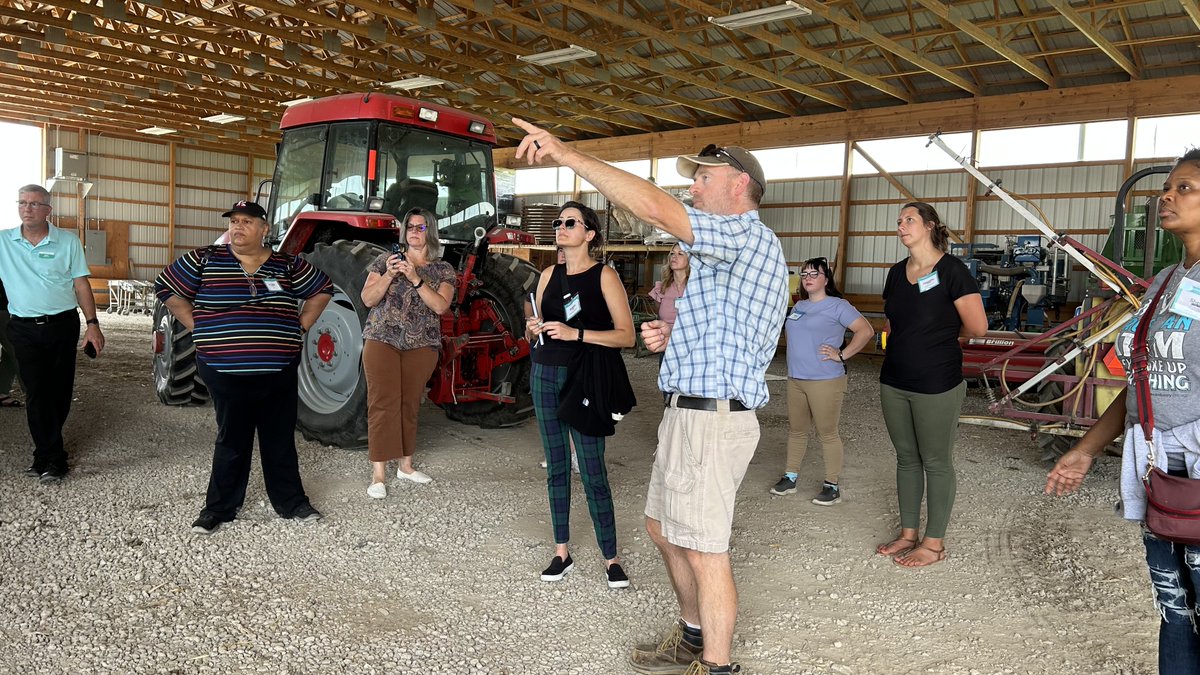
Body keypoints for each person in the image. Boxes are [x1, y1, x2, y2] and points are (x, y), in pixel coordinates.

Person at [515, 120, 788, 675]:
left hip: (713, 420)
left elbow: (656, 209)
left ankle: (717, 664)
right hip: (687, 412)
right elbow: (724, 330)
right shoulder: (720, 258)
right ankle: (692, 635)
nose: (693, 188)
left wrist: (569, 154)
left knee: (706, 547)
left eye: (703, 177)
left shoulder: (745, 234)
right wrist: (673, 337)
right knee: (664, 529)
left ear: (737, 183)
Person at [1046, 149, 1200, 673]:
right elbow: (1142, 385)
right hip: (1160, 470)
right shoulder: (1162, 285)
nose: (1168, 195)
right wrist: (1085, 450)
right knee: (1174, 608)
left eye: (1186, 188)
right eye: (1169, 187)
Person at [155, 200, 333, 534]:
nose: (238, 227)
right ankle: (219, 509)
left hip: (277, 370)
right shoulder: (204, 259)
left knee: (279, 439)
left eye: (247, 222)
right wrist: (197, 326)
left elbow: (323, 289)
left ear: (264, 229)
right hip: (224, 370)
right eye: (234, 221)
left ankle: (292, 502)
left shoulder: (287, 264)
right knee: (231, 440)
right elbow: (166, 287)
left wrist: (302, 326)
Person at [525, 200, 635, 589]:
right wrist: (532, 328)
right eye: (558, 222)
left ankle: (611, 557)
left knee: (592, 469)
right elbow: (531, 326)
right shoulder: (547, 274)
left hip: (585, 376)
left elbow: (627, 335)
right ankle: (561, 551)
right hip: (544, 373)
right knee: (556, 466)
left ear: (589, 233)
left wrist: (578, 334)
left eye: (570, 222)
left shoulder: (604, 276)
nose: (560, 226)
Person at [875, 202, 987, 567]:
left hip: (937, 382)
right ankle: (909, 533)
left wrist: (937, 338)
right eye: (898, 221)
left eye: (909, 219)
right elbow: (894, 322)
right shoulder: (895, 273)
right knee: (906, 459)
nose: (901, 225)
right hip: (894, 380)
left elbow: (978, 328)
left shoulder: (952, 271)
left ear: (929, 226)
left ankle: (933, 543)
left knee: (936, 461)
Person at [0, 185, 105, 484]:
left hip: (61, 325)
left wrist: (93, 323)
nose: (27, 208)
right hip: (22, 328)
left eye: (34, 204)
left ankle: (46, 453)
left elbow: (81, 284)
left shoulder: (68, 241)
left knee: (58, 391)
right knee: (36, 391)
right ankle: (51, 458)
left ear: (49, 209)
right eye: (22, 202)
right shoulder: (3, 241)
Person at [359, 207, 456, 498]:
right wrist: (389, 275)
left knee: (410, 403)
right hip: (382, 338)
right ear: (404, 232)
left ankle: (406, 466)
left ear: (430, 232)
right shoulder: (382, 261)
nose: (414, 231)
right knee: (382, 402)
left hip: (421, 344)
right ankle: (378, 474)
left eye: (421, 227)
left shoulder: (442, 269)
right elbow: (367, 298)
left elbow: (441, 306)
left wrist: (414, 277)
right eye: (410, 227)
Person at [769, 256, 874, 505]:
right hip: (796, 378)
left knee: (827, 433)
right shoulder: (799, 307)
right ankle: (790, 477)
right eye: (804, 274)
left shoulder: (838, 306)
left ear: (826, 279)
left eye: (813, 274)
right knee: (796, 430)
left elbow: (866, 330)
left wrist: (842, 354)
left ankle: (831, 484)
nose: (807, 278)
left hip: (825, 380)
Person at [649, 243, 689, 327]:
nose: (674, 256)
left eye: (680, 253)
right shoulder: (661, 288)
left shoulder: (696, 287)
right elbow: (659, 317)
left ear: (690, 259)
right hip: (665, 336)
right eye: (672, 253)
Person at [0, 278, 23, 408]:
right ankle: (32, 393)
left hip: (7, 306)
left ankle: (2, 391)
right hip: (4, 308)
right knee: (17, 351)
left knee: (10, 353)